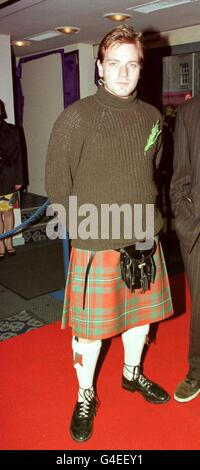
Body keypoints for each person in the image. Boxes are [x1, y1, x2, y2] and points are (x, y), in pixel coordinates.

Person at [45, 25, 173, 442]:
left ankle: (132, 374)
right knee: (91, 333)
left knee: (140, 321)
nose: (123, 74)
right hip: (96, 245)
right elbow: (58, 188)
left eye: (131, 65)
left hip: (143, 239)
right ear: (99, 67)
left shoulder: (153, 118)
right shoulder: (75, 118)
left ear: (140, 68)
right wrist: (94, 233)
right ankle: (85, 395)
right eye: (114, 64)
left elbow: (148, 173)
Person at [170, 94, 200, 403]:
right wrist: (189, 225)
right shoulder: (190, 112)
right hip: (198, 232)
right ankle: (197, 370)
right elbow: (179, 180)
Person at [0, 99, 23, 258]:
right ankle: (0, 244)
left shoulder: (13, 130)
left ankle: (9, 242)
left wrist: (19, 179)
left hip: (8, 177)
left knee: (7, 211)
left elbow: (19, 157)